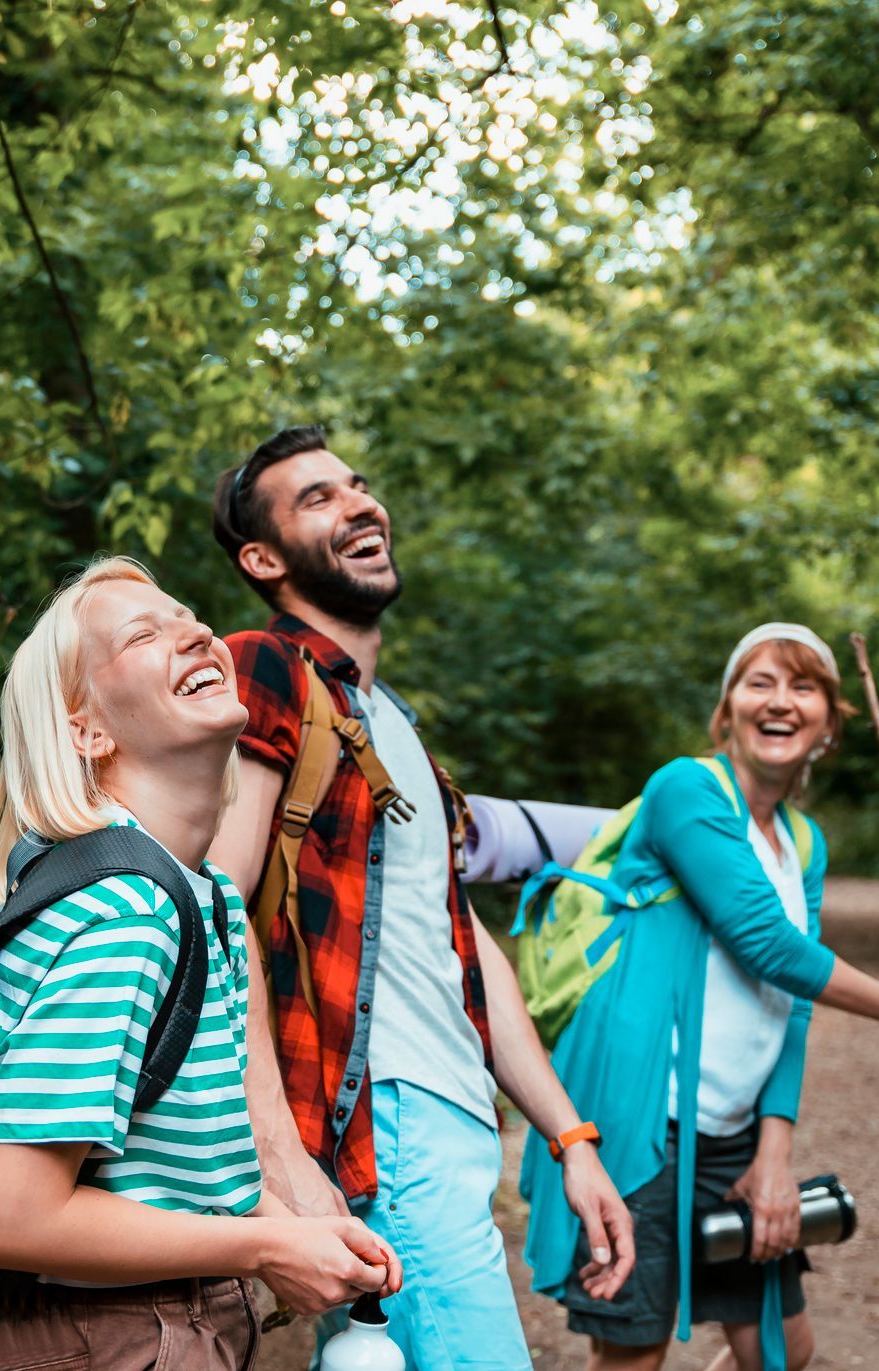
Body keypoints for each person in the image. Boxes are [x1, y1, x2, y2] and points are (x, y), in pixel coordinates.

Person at [206, 425, 634, 1371]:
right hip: (375, 1118)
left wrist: (571, 1138)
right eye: (317, 497)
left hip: (446, 1112)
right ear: (263, 557)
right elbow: (217, 904)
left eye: (358, 484)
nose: (359, 502)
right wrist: (283, 1154)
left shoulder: (384, 719)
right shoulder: (268, 670)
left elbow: (464, 944)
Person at [0, 556, 401, 1371]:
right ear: (86, 729)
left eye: (189, 616)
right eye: (143, 633)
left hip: (165, 1321)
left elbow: (169, 1165)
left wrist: (291, 1223)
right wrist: (265, 1246)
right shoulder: (125, 910)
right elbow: (7, 1208)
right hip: (102, 1333)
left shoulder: (204, 897)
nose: (198, 631)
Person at [518, 623, 879, 1371]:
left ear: (829, 721)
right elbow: (767, 943)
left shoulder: (804, 839)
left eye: (804, 686)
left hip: (731, 1134)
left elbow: (793, 998)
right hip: (643, 1122)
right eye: (758, 682)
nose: (781, 700)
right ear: (726, 710)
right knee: (634, 1351)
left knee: (782, 1347)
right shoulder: (686, 789)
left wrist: (774, 1154)